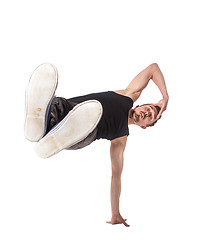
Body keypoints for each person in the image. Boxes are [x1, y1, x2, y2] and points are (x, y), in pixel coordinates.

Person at [24, 62, 169, 227]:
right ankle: (37, 122)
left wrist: (116, 214)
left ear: (144, 126)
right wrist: (164, 97)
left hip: (80, 135)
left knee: (88, 126)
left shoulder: (120, 138)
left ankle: (51, 133)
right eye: (149, 108)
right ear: (140, 105)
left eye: (150, 117)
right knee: (59, 105)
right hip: (64, 110)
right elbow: (153, 68)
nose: (147, 112)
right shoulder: (128, 95)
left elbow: (116, 178)